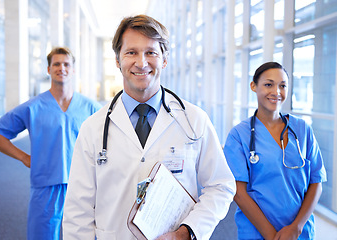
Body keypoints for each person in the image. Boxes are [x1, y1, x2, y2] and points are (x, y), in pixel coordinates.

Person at [62, 14, 236, 240]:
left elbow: (221, 186)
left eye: (151, 52)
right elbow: (78, 211)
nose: (141, 62)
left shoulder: (194, 120)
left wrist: (188, 232)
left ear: (164, 59)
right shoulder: (92, 129)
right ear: (118, 60)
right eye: (131, 52)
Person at [0, 47, 101, 240]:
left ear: (73, 70)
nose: (61, 68)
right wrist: (23, 157)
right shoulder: (33, 107)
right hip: (46, 185)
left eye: (66, 64)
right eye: (56, 64)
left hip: (83, 184)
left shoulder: (90, 107)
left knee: (87, 236)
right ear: (48, 69)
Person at [223, 62, 327, 240]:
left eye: (283, 86)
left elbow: (316, 181)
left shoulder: (302, 129)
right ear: (253, 86)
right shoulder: (239, 135)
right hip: (257, 232)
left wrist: (296, 228)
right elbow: (239, 193)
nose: (276, 92)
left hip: (300, 232)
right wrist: (272, 236)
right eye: (268, 84)